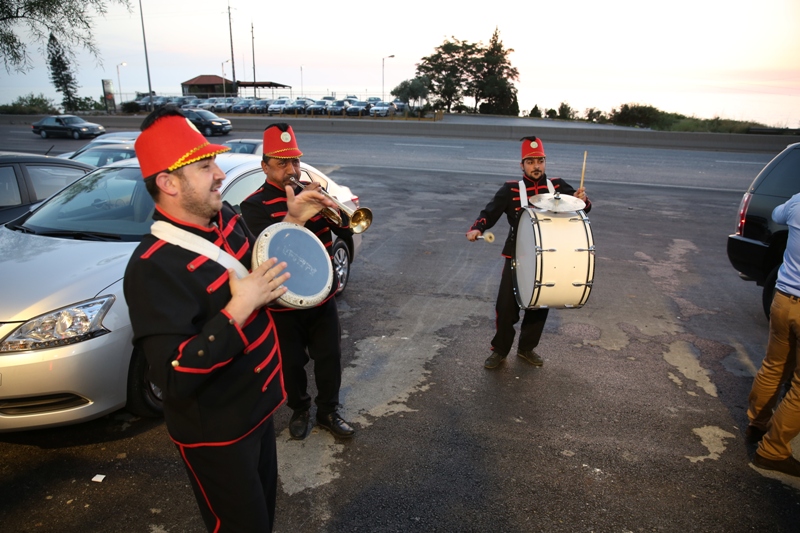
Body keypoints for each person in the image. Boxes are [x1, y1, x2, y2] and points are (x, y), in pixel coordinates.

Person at [123, 107, 334, 532]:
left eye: (214, 162)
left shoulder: (227, 219)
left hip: (258, 408)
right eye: (204, 166)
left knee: (263, 520)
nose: (219, 173)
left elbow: (267, 281)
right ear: (168, 183)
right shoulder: (151, 267)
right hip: (216, 432)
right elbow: (174, 377)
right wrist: (238, 309)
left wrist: (293, 222)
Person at [241, 123, 355, 440]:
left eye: (295, 161)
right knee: (291, 365)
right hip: (283, 301)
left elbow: (345, 232)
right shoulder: (254, 205)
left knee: (330, 357)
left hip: (322, 294)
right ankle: (300, 409)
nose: (292, 169)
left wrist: (343, 214)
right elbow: (265, 251)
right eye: (282, 163)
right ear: (264, 166)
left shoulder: (314, 192)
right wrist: (300, 214)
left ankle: (328, 411)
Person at [466, 136, 591, 369]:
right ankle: (500, 350)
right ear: (522, 165)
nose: (536, 166)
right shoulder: (510, 189)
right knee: (506, 307)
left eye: (540, 161)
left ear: (545, 162)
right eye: (531, 161)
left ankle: (526, 349)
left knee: (539, 305)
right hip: (516, 256)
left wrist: (583, 200)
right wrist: (477, 227)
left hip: (549, 257)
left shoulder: (557, 186)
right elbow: (489, 212)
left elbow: (582, 208)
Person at [746, 192, 800, 477]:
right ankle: (773, 450)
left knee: (774, 365)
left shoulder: (798, 202)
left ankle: (757, 423)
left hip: (783, 298)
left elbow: (778, 214)